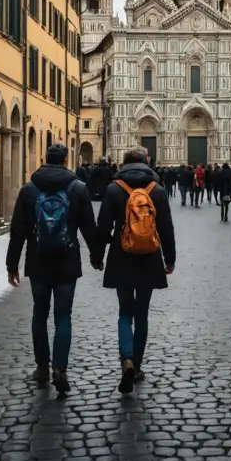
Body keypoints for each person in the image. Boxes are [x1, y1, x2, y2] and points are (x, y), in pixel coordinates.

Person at [6, 142, 99, 395]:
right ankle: (60, 368)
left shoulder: (29, 189)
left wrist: (12, 264)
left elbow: (18, 231)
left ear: (45, 159)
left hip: (37, 261)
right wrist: (96, 256)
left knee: (39, 314)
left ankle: (42, 368)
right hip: (67, 261)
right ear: (66, 160)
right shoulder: (78, 188)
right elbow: (89, 227)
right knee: (63, 316)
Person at [94, 146, 176, 393]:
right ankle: (137, 366)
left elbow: (103, 226)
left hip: (121, 256)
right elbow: (166, 227)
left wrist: (97, 256)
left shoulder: (113, 189)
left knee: (124, 313)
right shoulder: (157, 190)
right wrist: (170, 259)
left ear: (124, 162)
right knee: (142, 314)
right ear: (146, 162)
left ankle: (126, 359)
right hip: (149, 257)